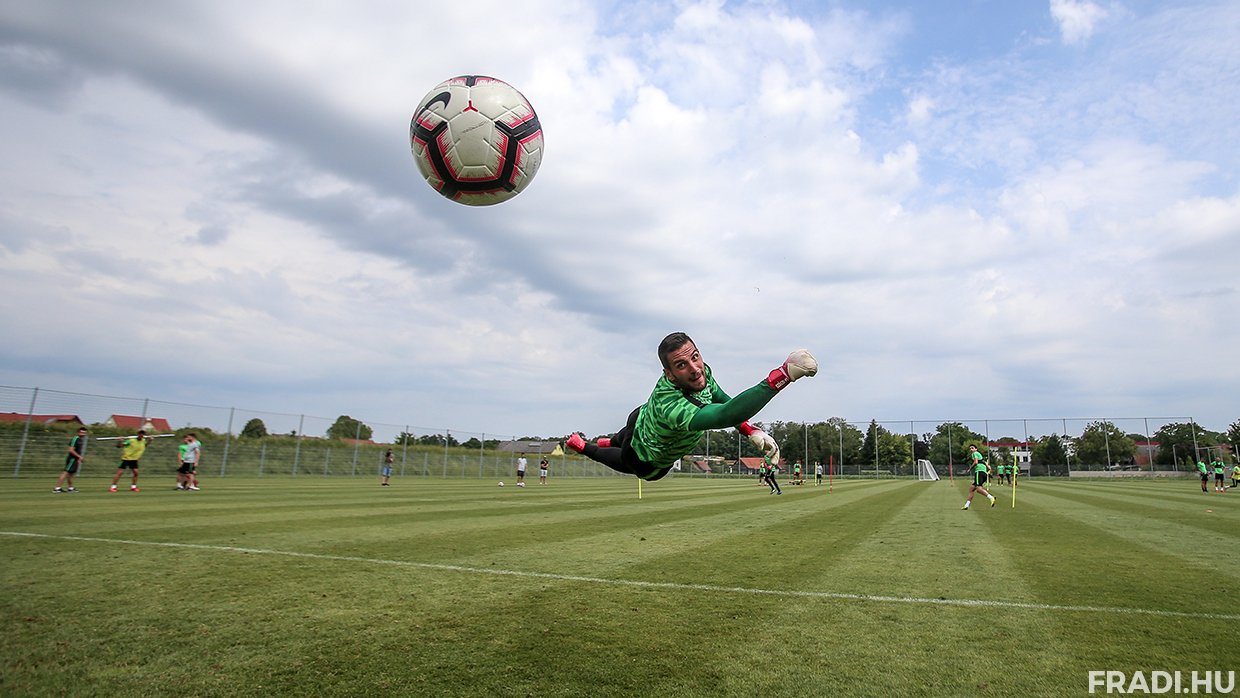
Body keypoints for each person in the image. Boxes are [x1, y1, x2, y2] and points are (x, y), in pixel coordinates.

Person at [566, 332, 816, 482]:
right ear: (669, 374)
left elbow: (719, 396)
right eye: (682, 365)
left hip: (640, 415)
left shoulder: (702, 372)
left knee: (626, 430)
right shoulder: (672, 406)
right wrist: (783, 374)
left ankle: (610, 440)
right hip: (645, 456)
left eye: (695, 357)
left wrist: (749, 430)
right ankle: (585, 447)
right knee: (629, 462)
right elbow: (725, 414)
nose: (695, 369)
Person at [961, 445, 996, 509]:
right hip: (983, 472)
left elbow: (976, 462)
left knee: (979, 489)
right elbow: (988, 467)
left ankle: (991, 497)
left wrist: (970, 469)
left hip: (979, 472)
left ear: (976, 449)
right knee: (971, 489)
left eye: (972, 448)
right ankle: (966, 505)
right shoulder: (980, 455)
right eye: (970, 448)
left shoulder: (975, 453)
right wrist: (988, 469)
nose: (971, 449)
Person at [54, 427, 88, 493]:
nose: (83, 434)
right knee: (65, 472)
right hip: (72, 459)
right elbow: (71, 450)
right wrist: (79, 457)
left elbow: (78, 451)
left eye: (84, 433)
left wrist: (78, 459)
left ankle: (70, 488)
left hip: (75, 459)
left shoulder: (80, 440)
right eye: (81, 432)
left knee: (71, 474)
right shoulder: (75, 439)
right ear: (78, 432)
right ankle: (57, 488)